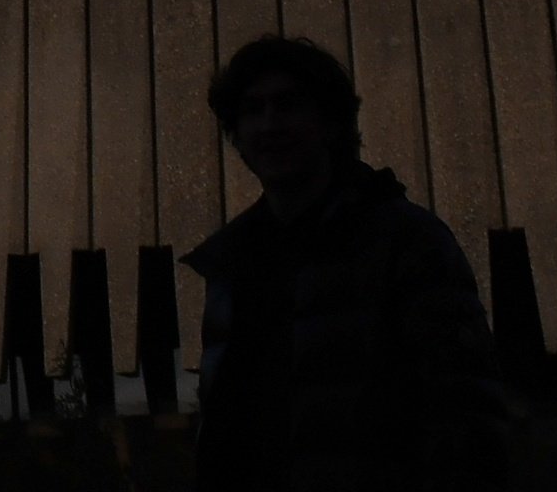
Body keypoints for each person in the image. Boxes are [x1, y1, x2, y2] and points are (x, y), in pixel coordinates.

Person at [182, 32, 509, 492]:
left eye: (288, 105)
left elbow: (464, 413)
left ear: (330, 123)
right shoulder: (233, 265)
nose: (270, 124)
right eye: (253, 110)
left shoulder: (404, 241)